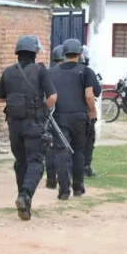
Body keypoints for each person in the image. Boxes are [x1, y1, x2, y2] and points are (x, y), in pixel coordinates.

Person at [0, 35, 57, 220]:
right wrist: (39, 106)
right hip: (34, 125)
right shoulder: (40, 71)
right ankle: (25, 195)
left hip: (14, 125)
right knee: (36, 162)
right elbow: (52, 97)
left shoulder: (7, 72)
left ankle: (24, 205)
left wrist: (18, 100)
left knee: (21, 163)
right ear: (35, 52)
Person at [49, 38, 97, 200]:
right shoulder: (85, 71)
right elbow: (90, 95)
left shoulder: (52, 72)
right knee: (78, 152)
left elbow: (47, 96)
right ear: (79, 54)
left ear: (63, 54)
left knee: (61, 152)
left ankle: (63, 190)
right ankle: (78, 187)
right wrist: (93, 112)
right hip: (79, 117)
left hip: (59, 117)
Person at [44, 44, 65, 189]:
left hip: (49, 115)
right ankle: (64, 177)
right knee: (63, 148)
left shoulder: (47, 73)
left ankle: (51, 179)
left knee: (49, 148)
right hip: (65, 115)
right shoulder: (72, 72)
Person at [81, 45, 102, 177]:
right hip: (85, 112)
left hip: (64, 112)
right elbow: (96, 92)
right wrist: (93, 110)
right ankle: (85, 166)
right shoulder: (87, 72)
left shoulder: (60, 71)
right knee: (88, 141)